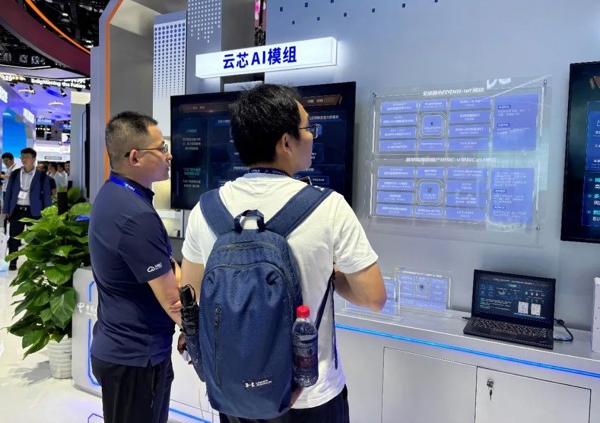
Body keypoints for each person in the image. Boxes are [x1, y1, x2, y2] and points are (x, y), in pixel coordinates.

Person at [180, 84, 387, 423]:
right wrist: (328, 273)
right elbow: (374, 297)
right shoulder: (328, 206)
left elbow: (191, 295)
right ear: (286, 142)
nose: (313, 136)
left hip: (232, 393)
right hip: (309, 396)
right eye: (308, 128)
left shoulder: (206, 209)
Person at [88, 111, 182, 423]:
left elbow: (166, 266)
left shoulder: (114, 194)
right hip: (136, 359)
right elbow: (173, 299)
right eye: (161, 148)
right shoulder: (135, 215)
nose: (168, 155)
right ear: (135, 157)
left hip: (125, 351)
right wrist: (198, 335)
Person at [2, 148, 52, 270]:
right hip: (17, 210)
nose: (24, 159)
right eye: (22, 157)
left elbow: (46, 195)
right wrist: (5, 210)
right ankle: (13, 261)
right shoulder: (15, 174)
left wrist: (48, 213)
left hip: (34, 211)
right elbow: (8, 193)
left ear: (34, 159)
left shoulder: (41, 176)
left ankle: (33, 262)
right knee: (14, 237)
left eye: (27, 157)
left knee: (35, 238)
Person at [1, 152, 17, 233]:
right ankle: (6, 229)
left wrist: (2, 176)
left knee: (10, 212)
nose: (5, 163)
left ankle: (11, 230)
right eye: (4, 161)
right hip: (6, 192)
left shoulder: (16, 168)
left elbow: (12, 177)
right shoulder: (9, 169)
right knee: (6, 212)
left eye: (6, 160)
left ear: (12, 159)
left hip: (11, 194)